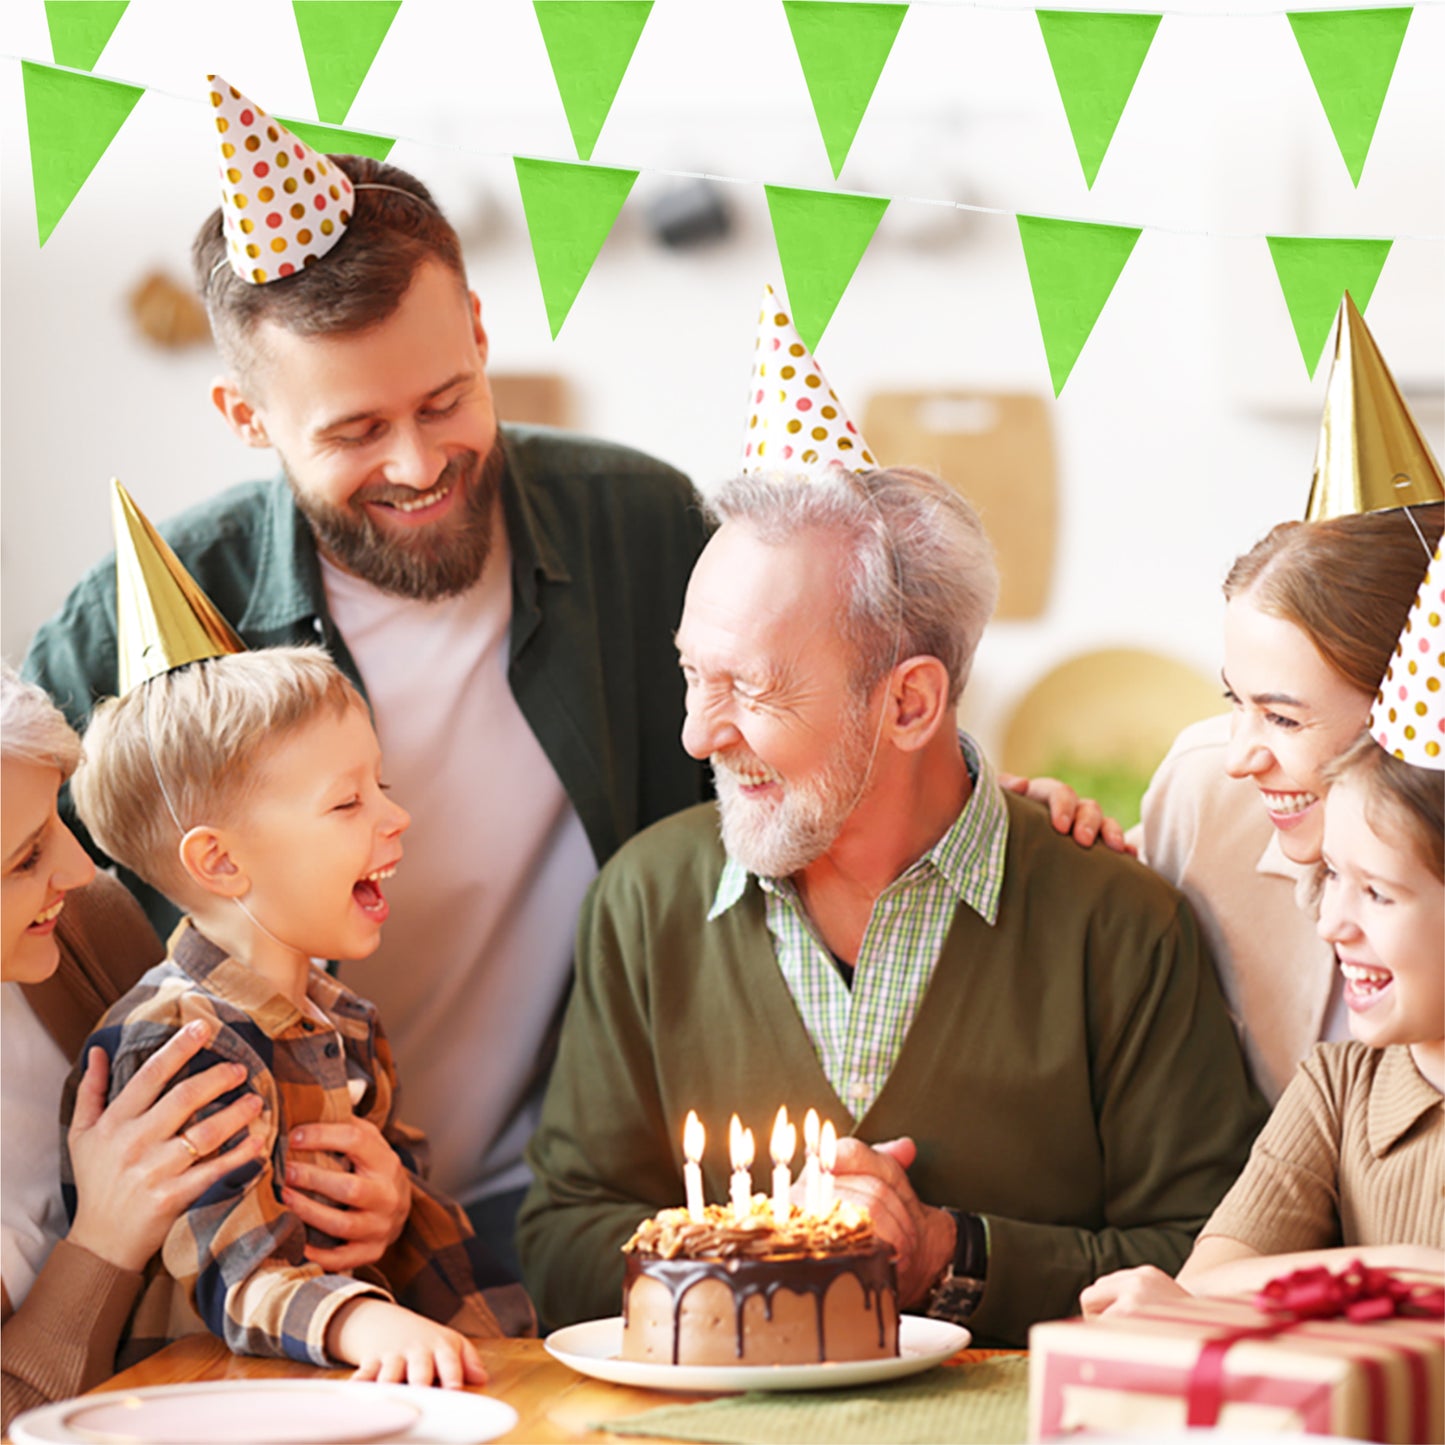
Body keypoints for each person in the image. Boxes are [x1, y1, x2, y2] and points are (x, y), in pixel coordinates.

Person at [23, 91, 711, 1274]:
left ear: (481, 330)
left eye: (444, 400)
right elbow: (30, 892)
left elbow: (804, 744)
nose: (417, 461)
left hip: (577, 1202)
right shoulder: (139, 617)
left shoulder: (638, 527)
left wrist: (978, 796)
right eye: (354, 430)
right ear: (246, 415)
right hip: (271, 1234)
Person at [516, 465, 1266, 1347]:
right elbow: (559, 1239)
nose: (696, 731)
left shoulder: (1119, 924)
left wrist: (951, 1255)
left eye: (750, 688)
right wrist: (774, 1263)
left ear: (908, 702)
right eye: (692, 671)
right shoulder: (642, 902)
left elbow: (1209, 1258)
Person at [66, 644, 501, 1382]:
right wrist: (360, 1319)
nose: (396, 814)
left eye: (381, 783)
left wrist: (507, 1346)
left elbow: (416, 1239)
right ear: (220, 862)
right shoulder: (177, 1043)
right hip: (204, 1412)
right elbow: (234, 1269)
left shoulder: (348, 1022)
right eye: (347, 801)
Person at [1082, 729, 1444, 1316]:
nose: (1330, 923)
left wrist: (1358, 1277)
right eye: (1332, 875)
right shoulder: (1338, 1089)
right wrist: (1410, 1272)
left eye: (1376, 893)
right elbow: (1204, 1283)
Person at [1, 666, 262, 1431]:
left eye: (58, 821)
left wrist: (372, 1199)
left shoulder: (86, 925)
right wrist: (103, 1244)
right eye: (24, 858)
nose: (78, 870)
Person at [1136, 503, 1442, 1104]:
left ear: (1408, 706)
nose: (1240, 757)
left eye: (1282, 717)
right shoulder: (1205, 798)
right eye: (1235, 700)